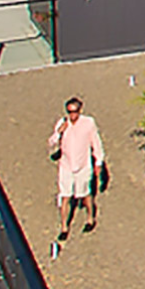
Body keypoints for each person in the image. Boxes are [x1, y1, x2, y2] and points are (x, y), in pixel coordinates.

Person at [46, 96, 105, 241]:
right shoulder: (63, 123)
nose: (72, 115)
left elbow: (96, 143)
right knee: (65, 196)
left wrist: (98, 162)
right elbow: (51, 142)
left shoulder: (88, 123)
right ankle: (64, 227)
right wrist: (59, 132)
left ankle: (90, 218)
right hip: (66, 166)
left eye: (75, 111)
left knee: (85, 194)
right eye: (69, 112)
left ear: (80, 110)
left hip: (83, 166)